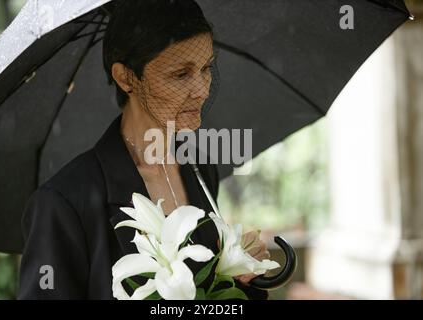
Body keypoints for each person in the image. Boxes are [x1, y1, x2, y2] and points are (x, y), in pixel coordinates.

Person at [18, 0, 270, 300]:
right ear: (126, 78)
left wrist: (242, 271)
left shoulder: (200, 168)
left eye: (206, 68)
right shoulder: (62, 205)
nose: (202, 89)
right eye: (181, 74)